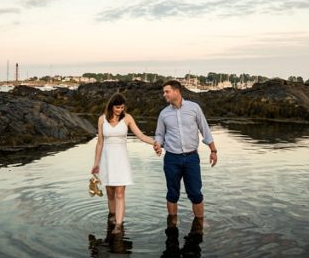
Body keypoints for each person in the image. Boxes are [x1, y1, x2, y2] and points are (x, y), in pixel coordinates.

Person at [152, 80, 217, 225]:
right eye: (164, 92)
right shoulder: (164, 114)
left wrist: (213, 150)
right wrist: (158, 144)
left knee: (195, 193)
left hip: (191, 158)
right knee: (172, 193)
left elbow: (204, 129)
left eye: (167, 91)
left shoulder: (194, 108)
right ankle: (173, 223)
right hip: (171, 159)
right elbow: (159, 134)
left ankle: (200, 223)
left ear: (177, 91)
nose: (164, 95)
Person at [90, 96, 158, 231]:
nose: (120, 110)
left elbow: (141, 135)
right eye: (117, 107)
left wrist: (155, 143)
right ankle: (112, 215)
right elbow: (100, 143)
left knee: (120, 193)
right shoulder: (101, 119)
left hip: (121, 160)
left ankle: (119, 225)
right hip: (106, 159)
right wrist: (96, 163)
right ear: (111, 107)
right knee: (110, 193)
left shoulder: (127, 118)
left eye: (122, 107)